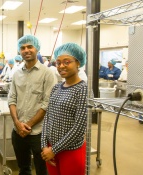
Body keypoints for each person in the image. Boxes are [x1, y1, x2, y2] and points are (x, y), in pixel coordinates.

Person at [8, 34, 55, 175]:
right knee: (24, 168)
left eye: (30, 47)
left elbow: (47, 104)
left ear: (37, 49)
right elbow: (12, 99)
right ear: (19, 51)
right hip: (18, 132)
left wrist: (27, 125)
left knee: (42, 170)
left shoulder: (47, 74)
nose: (26, 50)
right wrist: (17, 123)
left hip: (38, 133)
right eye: (22, 48)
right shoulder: (16, 74)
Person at [41, 43, 87, 175]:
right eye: (58, 62)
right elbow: (47, 118)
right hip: (50, 150)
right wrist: (45, 146)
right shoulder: (56, 87)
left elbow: (79, 128)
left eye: (67, 62)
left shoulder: (83, 90)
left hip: (71, 151)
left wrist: (54, 150)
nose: (61, 66)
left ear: (78, 63)